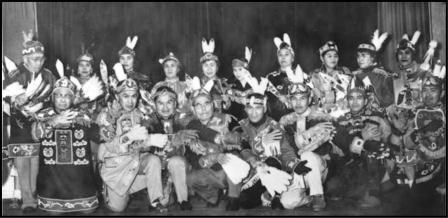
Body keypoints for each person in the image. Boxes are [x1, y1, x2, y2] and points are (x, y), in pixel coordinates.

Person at [235, 76, 311, 210]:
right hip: (253, 171)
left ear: (264, 109)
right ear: (245, 110)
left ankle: (273, 194)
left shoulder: (274, 126)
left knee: (272, 159)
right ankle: (266, 194)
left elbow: (286, 151)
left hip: (274, 168)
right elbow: (241, 146)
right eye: (250, 108)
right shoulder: (241, 125)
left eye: (258, 108)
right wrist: (254, 155)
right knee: (245, 202)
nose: (254, 112)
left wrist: (295, 164)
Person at [96, 76, 169, 213]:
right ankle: (110, 188)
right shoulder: (106, 115)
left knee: (153, 160)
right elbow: (111, 145)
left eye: (134, 96)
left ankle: (155, 199)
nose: (130, 101)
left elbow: (145, 145)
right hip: (116, 168)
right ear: (117, 96)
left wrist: (149, 140)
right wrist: (130, 137)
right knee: (117, 208)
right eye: (125, 96)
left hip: (134, 161)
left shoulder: (139, 114)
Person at [3, 30, 57, 213]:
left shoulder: (49, 75)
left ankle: (34, 195)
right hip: (20, 126)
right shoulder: (16, 73)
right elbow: (6, 94)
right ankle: (27, 199)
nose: (39, 62)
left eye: (41, 58)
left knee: (37, 162)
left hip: (41, 126)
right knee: (22, 162)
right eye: (34, 59)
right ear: (25, 59)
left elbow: (55, 98)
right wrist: (16, 101)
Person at [31, 74, 101, 214]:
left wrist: (106, 118)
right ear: (53, 97)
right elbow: (35, 136)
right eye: (59, 95)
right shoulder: (42, 115)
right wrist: (54, 121)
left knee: (89, 210)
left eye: (67, 96)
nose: (62, 99)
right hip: (53, 179)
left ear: (72, 98)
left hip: (79, 178)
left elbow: (101, 136)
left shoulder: (82, 116)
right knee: (54, 212)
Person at [329, 76, 392, 208]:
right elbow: (340, 146)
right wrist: (361, 136)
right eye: (351, 98)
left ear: (365, 100)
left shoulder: (377, 117)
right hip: (349, 161)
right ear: (347, 100)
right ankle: (356, 190)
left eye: (359, 98)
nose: (355, 102)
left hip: (373, 162)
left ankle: (373, 193)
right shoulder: (340, 120)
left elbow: (386, 140)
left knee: (371, 152)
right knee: (332, 189)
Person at [391, 62, 446, 214]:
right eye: (425, 90)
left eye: (433, 90)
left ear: (441, 93)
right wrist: (398, 130)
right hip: (419, 166)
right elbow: (402, 143)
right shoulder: (413, 113)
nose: (428, 95)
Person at [279, 65, 335, 211]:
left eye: (302, 98)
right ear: (289, 101)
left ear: (310, 99)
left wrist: (308, 137)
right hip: (298, 169)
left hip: (319, 167)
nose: (298, 103)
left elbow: (325, 143)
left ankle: (318, 196)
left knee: (307, 155)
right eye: (294, 99)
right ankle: (308, 198)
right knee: (287, 202)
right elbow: (285, 149)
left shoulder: (322, 115)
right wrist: (309, 134)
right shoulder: (285, 120)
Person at [184, 79, 245, 211]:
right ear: (193, 109)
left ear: (212, 104)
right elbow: (193, 158)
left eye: (206, 103)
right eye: (198, 105)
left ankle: (233, 196)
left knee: (234, 159)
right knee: (190, 178)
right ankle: (213, 196)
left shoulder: (227, 119)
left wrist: (227, 141)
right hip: (209, 169)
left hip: (227, 171)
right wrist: (214, 157)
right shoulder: (191, 126)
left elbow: (240, 140)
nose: (203, 109)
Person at [141, 86, 196, 210]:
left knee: (176, 162)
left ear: (175, 103)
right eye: (160, 103)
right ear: (154, 105)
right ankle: (163, 194)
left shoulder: (183, 118)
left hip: (180, 166)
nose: (165, 108)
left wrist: (183, 138)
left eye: (169, 102)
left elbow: (195, 133)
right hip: (159, 168)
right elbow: (142, 144)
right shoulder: (148, 121)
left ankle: (183, 199)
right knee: (164, 202)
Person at [352, 29, 394, 111]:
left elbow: (390, 99)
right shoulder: (354, 75)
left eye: (363, 56)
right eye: (358, 56)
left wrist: (374, 100)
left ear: (373, 57)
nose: (360, 59)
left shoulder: (383, 75)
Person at [309, 41, 352, 116]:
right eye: (329, 56)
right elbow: (316, 100)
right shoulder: (316, 76)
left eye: (335, 56)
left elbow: (352, 92)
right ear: (322, 58)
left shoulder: (345, 73)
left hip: (346, 113)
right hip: (324, 115)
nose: (333, 59)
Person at [266, 33, 296, 121]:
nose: (283, 57)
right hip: (274, 122)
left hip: (295, 122)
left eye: (286, 54)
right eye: (280, 55)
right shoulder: (270, 77)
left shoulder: (300, 76)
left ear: (292, 57)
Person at [199, 38, 232, 113]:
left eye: (212, 65)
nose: (209, 69)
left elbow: (229, 108)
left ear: (217, 67)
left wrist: (227, 102)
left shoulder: (224, 84)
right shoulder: (198, 84)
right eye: (206, 65)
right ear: (202, 68)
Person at [226, 46, 254, 120]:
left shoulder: (256, 84)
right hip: (235, 121)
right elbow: (227, 108)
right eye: (235, 70)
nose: (237, 73)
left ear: (246, 70)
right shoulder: (230, 85)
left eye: (240, 69)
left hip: (253, 119)